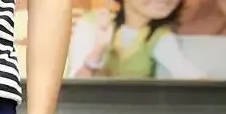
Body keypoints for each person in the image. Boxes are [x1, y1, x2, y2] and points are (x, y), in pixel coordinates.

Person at [69, 0, 203, 79]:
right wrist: (99, 48)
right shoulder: (93, 23)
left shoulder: (159, 36)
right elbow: (77, 86)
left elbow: (187, 73)